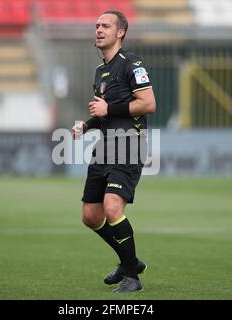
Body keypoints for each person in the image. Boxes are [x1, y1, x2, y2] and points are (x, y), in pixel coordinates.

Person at [72, 10, 156, 293]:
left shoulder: (131, 63)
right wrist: (87, 125)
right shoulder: (100, 71)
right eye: (96, 25)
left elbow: (148, 103)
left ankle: (132, 277)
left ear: (120, 32)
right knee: (90, 215)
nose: (98, 29)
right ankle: (127, 259)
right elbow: (107, 114)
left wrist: (108, 109)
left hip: (129, 143)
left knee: (112, 207)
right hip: (105, 146)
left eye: (105, 25)